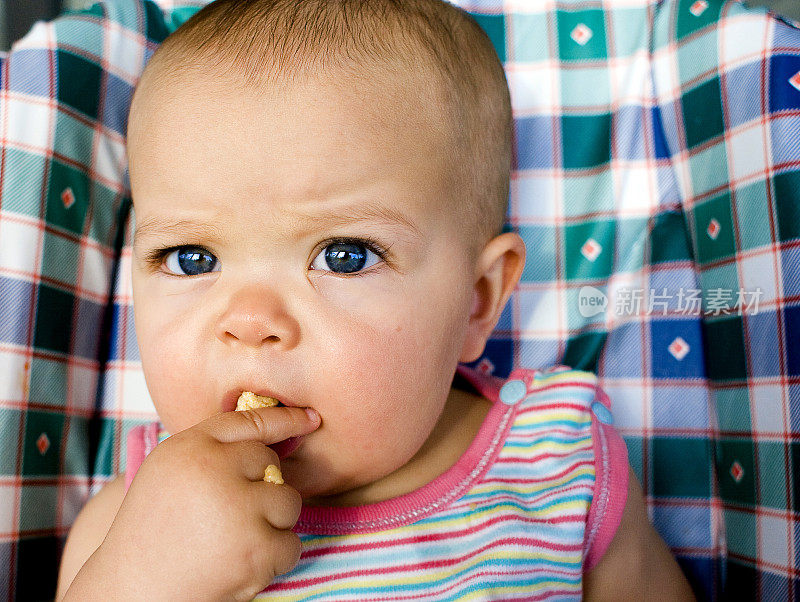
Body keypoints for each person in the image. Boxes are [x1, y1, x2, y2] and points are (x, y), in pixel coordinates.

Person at [54, 0, 694, 599]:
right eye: (192, 259)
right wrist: (142, 579)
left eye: (344, 256)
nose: (251, 323)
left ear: (476, 300)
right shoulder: (133, 527)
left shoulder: (558, 470)